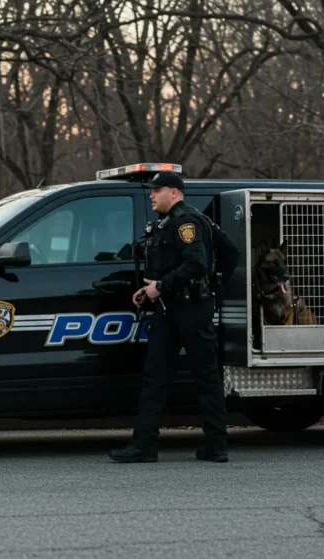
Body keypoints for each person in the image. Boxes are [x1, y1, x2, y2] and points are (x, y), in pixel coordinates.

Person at [109, 170, 237, 464]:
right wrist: (152, 290)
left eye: (157, 190)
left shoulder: (187, 222)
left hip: (191, 311)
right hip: (168, 309)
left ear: (175, 192)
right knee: (155, 378)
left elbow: (198, 263)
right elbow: (228, 253)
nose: (152, 195)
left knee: (206, 378)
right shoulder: (167, 223)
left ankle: (216, 447)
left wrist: (174, 287)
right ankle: (143, 446)